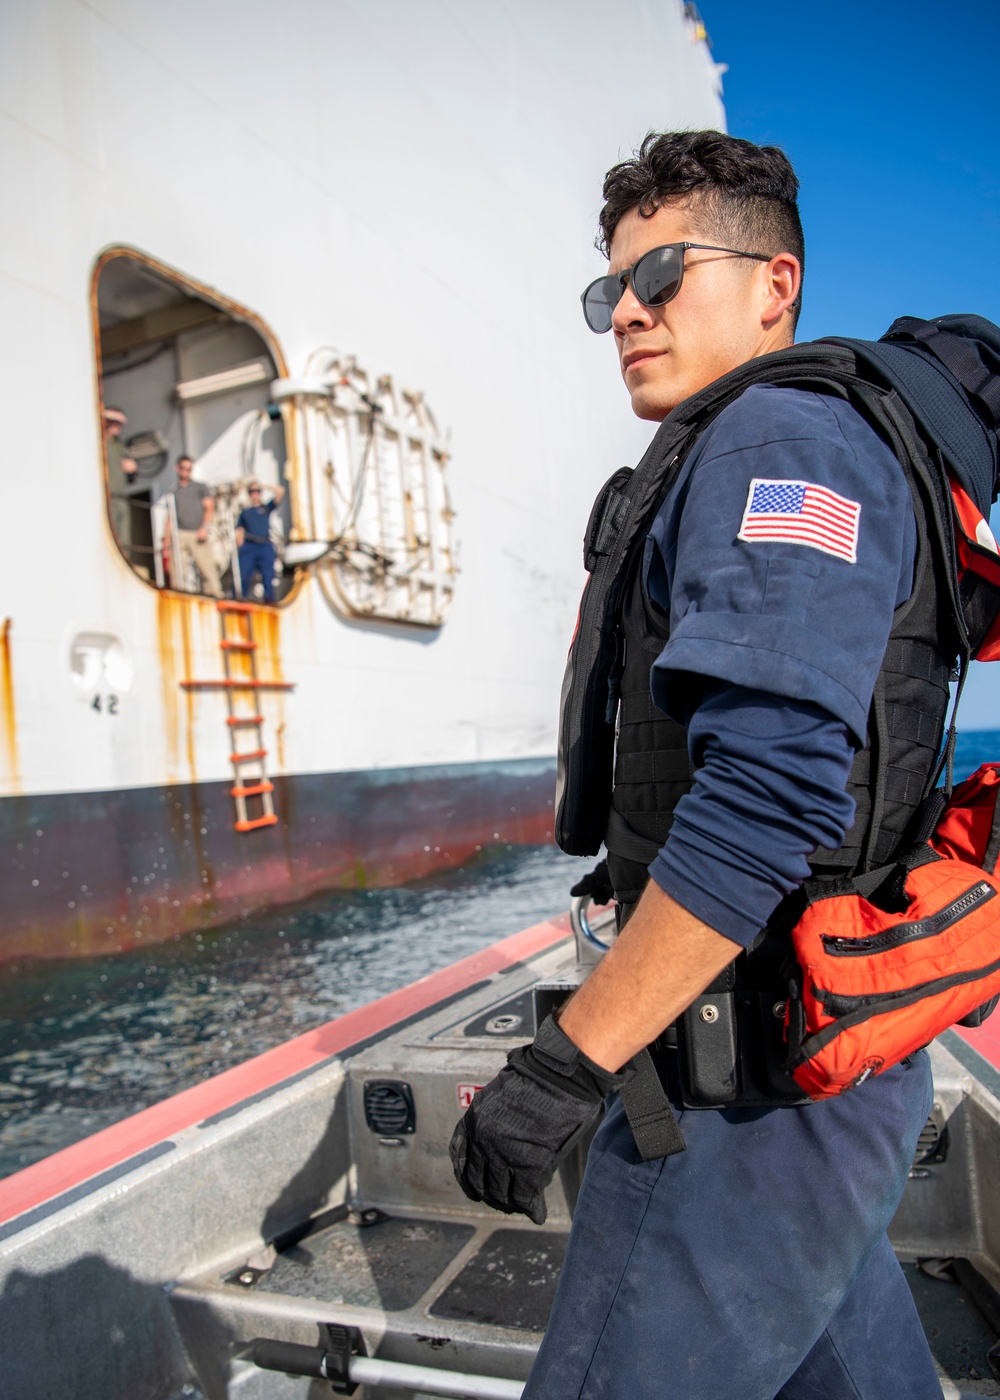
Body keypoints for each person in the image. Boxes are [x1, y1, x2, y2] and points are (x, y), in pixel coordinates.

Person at [451, 132, 945, 1398]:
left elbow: (768, 799)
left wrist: (567, 1057)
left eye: (662, 272)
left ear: (774, 284)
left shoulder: (777, 442)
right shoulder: (762, 442)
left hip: (746, 1098)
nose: (625, 309)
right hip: (806, 1078)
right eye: (608, 286)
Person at [165, 455, 223, 598]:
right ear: (177, 468)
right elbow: (170, 517)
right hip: (180, 533)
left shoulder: (200, 487)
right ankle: (178, 596)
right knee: (177, 570)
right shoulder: (173, 492)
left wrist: (204, 527)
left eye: (189, 469)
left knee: (207, 568)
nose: (187, 472)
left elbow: (209, 507)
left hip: (198, 532)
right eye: (184, 468)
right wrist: (166, 540)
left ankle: (215, 595)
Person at [236, 479, 285, 604]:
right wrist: (240, 546)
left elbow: (280, 491)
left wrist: (263, 485)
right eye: (252, 491)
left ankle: (269, 600)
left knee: (268, 576)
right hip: (250, 546)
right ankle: (241, 599)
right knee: (244, 574)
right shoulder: (245, 512)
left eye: (257, 491)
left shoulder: (266, 508)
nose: (255, 494)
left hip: (264, 545)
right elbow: (240, 530)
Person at [103, 405, 138, 552]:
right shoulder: (100, 443)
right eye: (113, 421)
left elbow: (132, 477)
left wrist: (133, 470)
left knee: (124, 540)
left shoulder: (120, 446)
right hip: (107, 497)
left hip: (121, 497)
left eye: (120, 423)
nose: (117, 426)